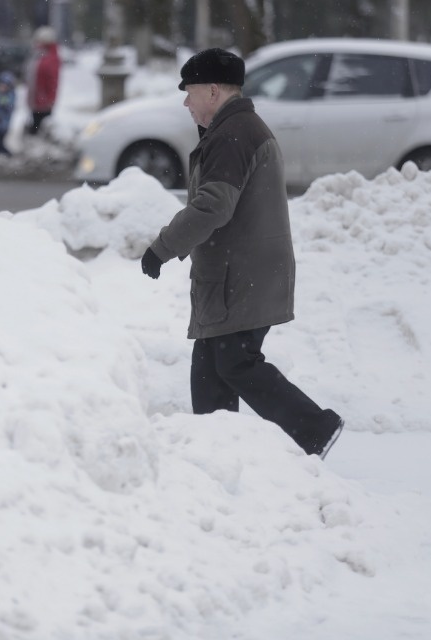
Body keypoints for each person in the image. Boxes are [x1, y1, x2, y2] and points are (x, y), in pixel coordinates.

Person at [139, 48, 343, 459]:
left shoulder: (233, 136)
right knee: (212, 367)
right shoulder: (236, 130)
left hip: (241, 276)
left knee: (234, 363)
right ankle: (217, 450)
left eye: (190, 91)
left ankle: (315, 428)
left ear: (213, 91)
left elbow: (212, 206)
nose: (185, 102)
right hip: (240, 273)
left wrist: (162, 248)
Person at [24, 26, 60, 136]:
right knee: (36, 125)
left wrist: (50, 98)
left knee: (40, 127)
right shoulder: (38, 55)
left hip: (43, 100)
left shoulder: (50, 57)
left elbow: (52, 80)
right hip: (36, 98)